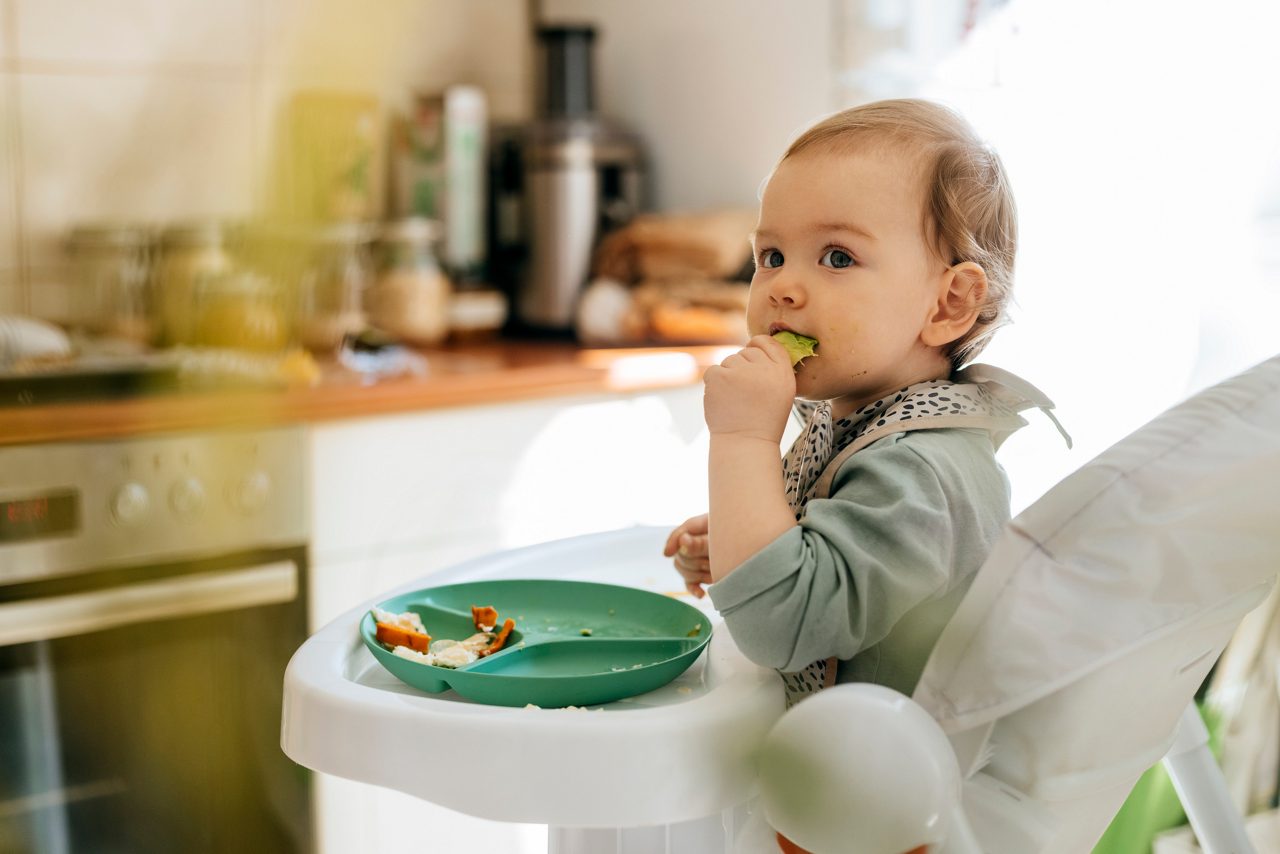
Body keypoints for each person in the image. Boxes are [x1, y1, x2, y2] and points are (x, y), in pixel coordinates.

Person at [663, 98, 1069, 709]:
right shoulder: (869, 424)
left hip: (889, 790)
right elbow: (841, 572)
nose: (783, 288)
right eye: (770, 256)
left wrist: (743, 439)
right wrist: (748, 538)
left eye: (837, 257)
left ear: (948, 305)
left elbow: (781, 629)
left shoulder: (922, 472)